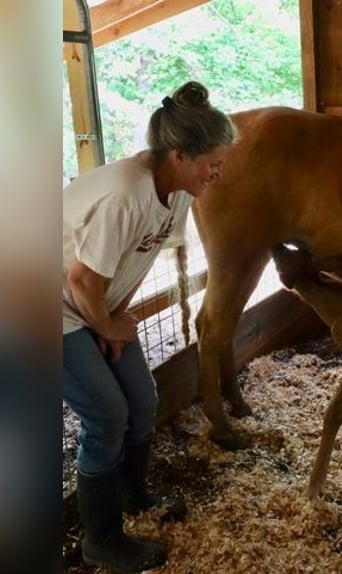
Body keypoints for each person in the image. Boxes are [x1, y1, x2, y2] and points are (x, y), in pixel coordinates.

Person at [63, 81, 238, 573]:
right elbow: (80, 276)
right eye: (212, 163)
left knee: (142, 401)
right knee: (106, 416)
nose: (218, 172)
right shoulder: (126, 195)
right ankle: (100, 538)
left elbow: (130, 265)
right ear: (179, 154)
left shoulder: (178, 190)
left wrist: (107, 321)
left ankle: (134, 496)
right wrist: (106, 325)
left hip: (87, 302)